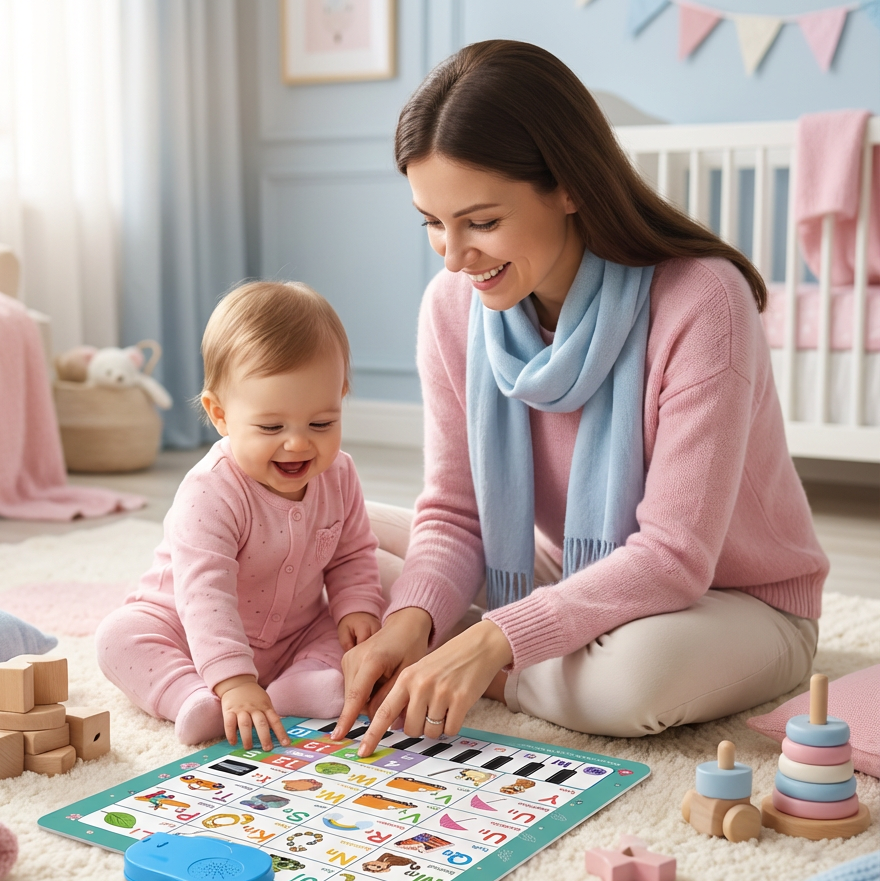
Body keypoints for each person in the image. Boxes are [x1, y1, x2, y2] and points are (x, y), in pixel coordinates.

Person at [337, 40, 828, 756]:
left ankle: (482, 667)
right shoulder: (452, 307)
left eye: (481, 221)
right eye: (432, 223)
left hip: (737, 600)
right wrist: (411, 621)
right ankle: (457, 649)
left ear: (569, 186)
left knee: (633, 680)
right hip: (569, 562)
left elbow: (674, 556)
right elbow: (454, 511)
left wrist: (493, 642)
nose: (452, 255)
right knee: (330, 542)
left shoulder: (703, 299)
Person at [96, 281, 384, 751]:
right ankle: (191, 697)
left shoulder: (340, 474)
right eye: (271, 427)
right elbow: (204, 594)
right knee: (118, 637)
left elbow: (353, 553)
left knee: (367, 623)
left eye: (322, 423)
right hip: (188, 630)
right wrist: (232, 681)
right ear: (220, 415)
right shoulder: (211, 490)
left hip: (294, 633)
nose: (298, 443)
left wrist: (357, 608)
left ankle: (300, 684)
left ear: (341, 397)